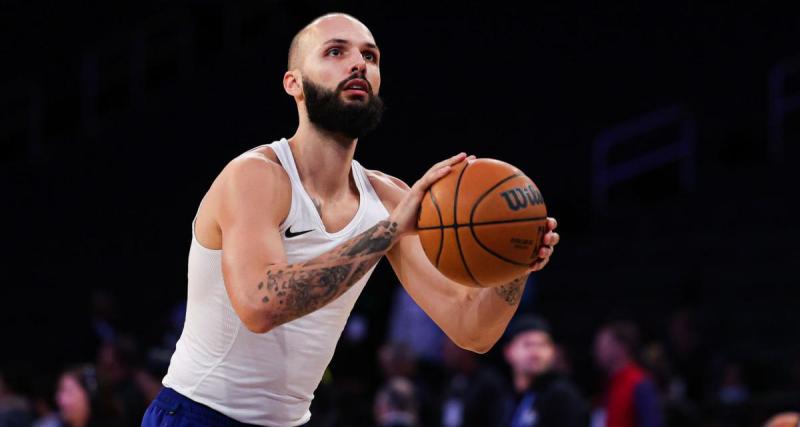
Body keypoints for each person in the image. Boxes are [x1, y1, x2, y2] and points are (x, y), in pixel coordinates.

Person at [142, 12, 560, 427]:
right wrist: (390, 230)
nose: (358, 63)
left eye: (370, 56)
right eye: (335, 52)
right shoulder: (255, 176)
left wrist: (515, 262)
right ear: (295, 84)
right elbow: (259, 305)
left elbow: (473, 331)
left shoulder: (386, 197)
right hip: (198, 413)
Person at [503, 315, 587, 427]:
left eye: (543, 345)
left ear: (553, 352)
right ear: (509, 351)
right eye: (527, 344)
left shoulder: (562, 397)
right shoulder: (504, 397)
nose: (536, 353)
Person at [592, 321, 663, 427]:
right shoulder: (609, 383)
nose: (597, 350)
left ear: (621, 347)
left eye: (603, 345)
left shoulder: (640, 383)